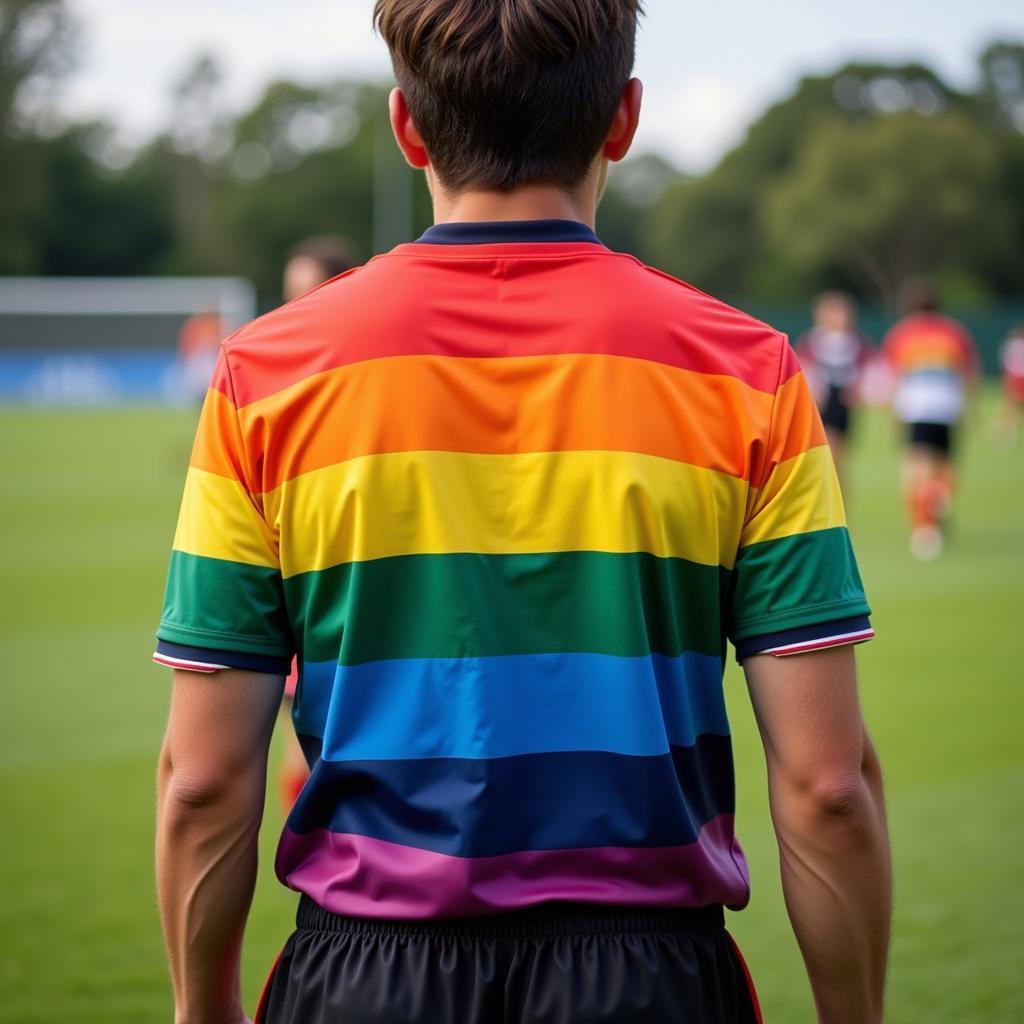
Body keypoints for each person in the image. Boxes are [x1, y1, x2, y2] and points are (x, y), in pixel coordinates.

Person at [153, 3, 891, 1023]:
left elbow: (200, 779)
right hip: (654, 984)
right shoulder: (750, 373)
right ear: (622, 121)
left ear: (407, 126)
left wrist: (202, 1011)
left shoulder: (261, 377)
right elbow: (826, 786)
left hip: (362, 979)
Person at [276, 235, 356, 812]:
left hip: (355, 617)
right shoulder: (275, 388)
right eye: (289, 296)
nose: (294, 308)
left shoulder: (364, 385)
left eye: (308, 294)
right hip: (298, 608)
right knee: (298, 759)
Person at [883, 278, 979, 560]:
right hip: (946, 407)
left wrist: (892, 415)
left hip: (915, 408)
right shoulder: (954, 332)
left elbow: (894, 377)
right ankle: (939, 500)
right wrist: (970, 410)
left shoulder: (901, 334)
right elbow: (968, 373)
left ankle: (924, 529)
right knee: (943, 466)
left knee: (916, 469)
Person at [796, 291, 872, 488]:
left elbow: (866, 369)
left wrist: (859, 390)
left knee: (839, 458)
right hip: (822, 401)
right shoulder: (814, 340)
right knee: (827, 453)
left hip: (842, 401)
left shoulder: (855, 341)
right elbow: (804, 368)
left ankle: (839, 504)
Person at [992, 324, 1024, 448]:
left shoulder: (1009, 346)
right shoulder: (1012, 346)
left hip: (1014, 379)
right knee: (1011, 408)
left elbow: (1004, 365)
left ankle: (1003, 431)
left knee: (1011, 408)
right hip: (1017, 379)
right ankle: (1002, 431)